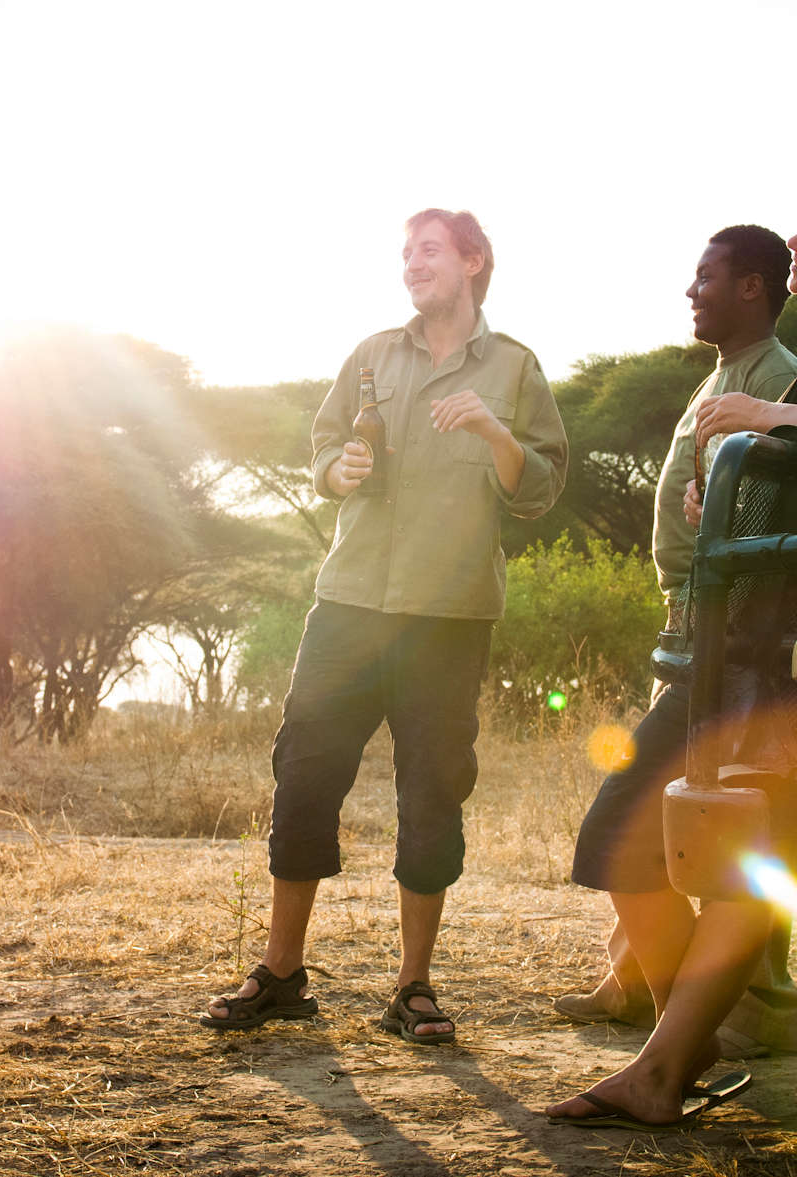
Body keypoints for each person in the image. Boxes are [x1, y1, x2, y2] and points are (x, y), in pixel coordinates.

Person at [547, 173, 797, 1130]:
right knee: (736, 860)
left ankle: (675, 1051)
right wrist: (742, 481)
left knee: (631, 835)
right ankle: (671, 1057)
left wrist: (768, 423)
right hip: (784, 633)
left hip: (771, 643)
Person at [201, 208, 568, 1044]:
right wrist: (341, 469)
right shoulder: (371, 354)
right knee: (303, 774)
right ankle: (283, 973)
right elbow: (323, 451)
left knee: (433, 789)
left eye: (429, 250)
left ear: (474, 261)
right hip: (350, 606)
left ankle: (413, 987)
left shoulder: (515, 367)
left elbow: (541, 486)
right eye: (405, 253)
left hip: (448, 615)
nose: (412, 264)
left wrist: (493, 429)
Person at [552, 225, 797, 1059]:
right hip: (697, 621)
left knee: (699, 821)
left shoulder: (778, 376)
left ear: (752, 287)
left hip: (734, 635)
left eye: (706, 278)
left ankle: (738, 1010)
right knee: (686, 818)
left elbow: (777, 509)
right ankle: (645, 987)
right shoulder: (725, 375)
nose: (689, 292)